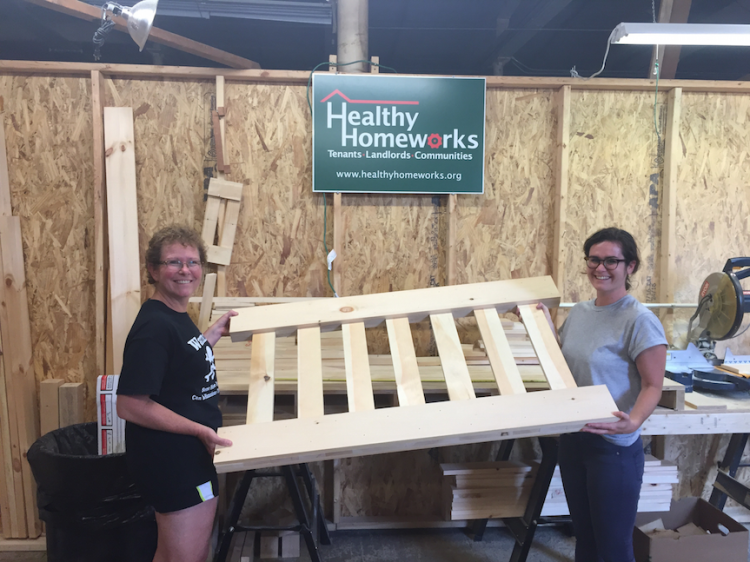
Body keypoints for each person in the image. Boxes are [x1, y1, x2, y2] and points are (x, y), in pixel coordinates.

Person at [538, 227, 667, 562]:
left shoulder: (639, 320)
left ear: (631, 267)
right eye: (594, 260)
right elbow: (564, 355)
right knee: (586, 537)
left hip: (613, 448)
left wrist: (633, 421)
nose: (601, 268)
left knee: (613, 545)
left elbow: (654, 384)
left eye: (612, 260)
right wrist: (539, 323)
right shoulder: (580, 312)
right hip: (575, 438)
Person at [117, 225, 236, 562]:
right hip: (174, 460)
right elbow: (129, 404)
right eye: (174, 262)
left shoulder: (175, 316)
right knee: (185, 557)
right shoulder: (153, 328)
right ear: (153, 270)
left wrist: (210, 335)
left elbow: (181, 361)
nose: (185, 270)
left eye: (193, 262)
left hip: (188, 454)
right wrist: (200, 430)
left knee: (180, 554)